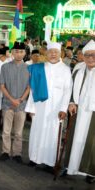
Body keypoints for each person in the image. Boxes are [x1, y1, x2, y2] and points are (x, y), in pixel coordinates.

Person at [25, 42, 73, 168]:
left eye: (55, 52)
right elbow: (33, 89)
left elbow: (68, 91)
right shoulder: (39, 68)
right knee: (37, 132)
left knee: (53, 133)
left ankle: (51, 162)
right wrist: (31, 108)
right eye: (50, 51)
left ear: (60, 54)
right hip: (40, 107)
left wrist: (63, 109)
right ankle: (34, 158)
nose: (53, 54)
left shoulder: (66, 70)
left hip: (56, 109)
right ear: (46, 53)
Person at [65, 40, 95, 184]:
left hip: (93, 113)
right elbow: (70, 90)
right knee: (74, 139)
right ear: (83, 56)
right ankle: (71, 167)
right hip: (79, 111)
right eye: (88, 55)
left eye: (94, 55)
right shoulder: (78, 69)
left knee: (92, 143)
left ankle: (91, 172)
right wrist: (71, 102)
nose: (90, 58)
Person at [0, 42, 30, 163]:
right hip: (7, 103)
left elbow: (29, 87)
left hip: (21, 105)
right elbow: (2, 85)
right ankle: (5, 151)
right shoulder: (5, 67)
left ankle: (17, 153)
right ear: (12, 52)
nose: (19, 54)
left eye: (21, 51)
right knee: (6, 131)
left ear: (25, 53)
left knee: (18, 132)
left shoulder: (28, 68)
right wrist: (12, 100)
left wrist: (21, 99)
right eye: (16, 51)